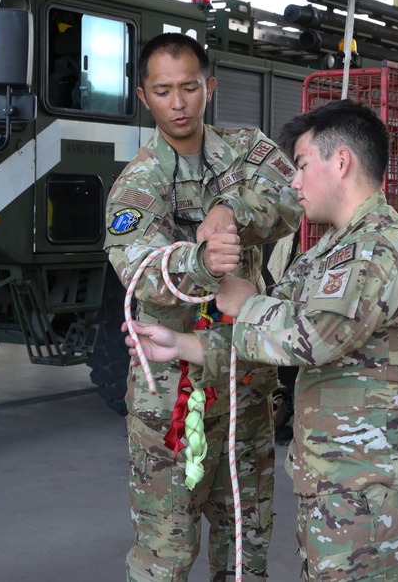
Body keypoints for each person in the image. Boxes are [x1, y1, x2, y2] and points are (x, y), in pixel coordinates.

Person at [126, 99, 398, 580]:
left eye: (300, 165)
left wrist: (243, 300)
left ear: (341, 162)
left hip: (370, 491)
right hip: (336, 485)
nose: (293, 182)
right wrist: (183, 346)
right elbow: (272, 336)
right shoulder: (330, 251)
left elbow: (310, 339)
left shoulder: (379, 247)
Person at [104, 32, 303, 582]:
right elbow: (138, 273)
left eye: (189, 87)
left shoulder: (247, 148)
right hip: (171, 391)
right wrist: (203, 265)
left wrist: (229, 208)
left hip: (244, 378)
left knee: (246, 536)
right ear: (144, 98)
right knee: (166, 549)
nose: (178, 102)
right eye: (163, 90)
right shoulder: (137, 185)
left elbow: (292, 197)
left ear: (209, 88)